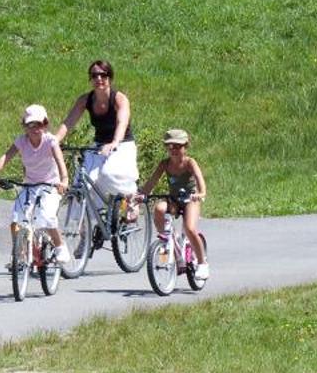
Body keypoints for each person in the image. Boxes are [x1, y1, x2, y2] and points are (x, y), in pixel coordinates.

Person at [0, 104, 69, 269]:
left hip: (50, 185)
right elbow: (6, 157)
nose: (35, 128)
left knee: (46, 216)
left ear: (45, 125)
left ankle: (60, 247)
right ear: (25, 126)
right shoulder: (22, 142)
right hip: (30, 185)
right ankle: (20, 256)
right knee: (16, 220)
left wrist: (64, 180)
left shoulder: (50, 141)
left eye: (39, 124)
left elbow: (60, 162)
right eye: (30, 125)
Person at [60, 58, 138, 219]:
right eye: (94, 76)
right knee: (81, 185)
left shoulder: (119, 99)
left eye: (103, 75)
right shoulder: (85, 100)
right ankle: (81, 230)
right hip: (99, 145)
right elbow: (68, 122)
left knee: (109, 173)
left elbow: (122, 123)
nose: (99, 79)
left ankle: (131, 198)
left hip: (122, 144)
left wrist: (115, 142)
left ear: (110, 77)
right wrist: (54, 141)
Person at [140, 128, 209, 280]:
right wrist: (142, 193)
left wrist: (201, 193)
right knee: (159, 208)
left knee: (190, 228)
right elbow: (152, 181)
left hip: (190, 200)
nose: (174, 150)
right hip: (174, 201)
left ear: (186, 146)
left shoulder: (190, 163)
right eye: (170, 146)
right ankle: (166, 242)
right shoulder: (165, 164)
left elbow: (199, 179)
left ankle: (202, 263)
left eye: (178, 146)